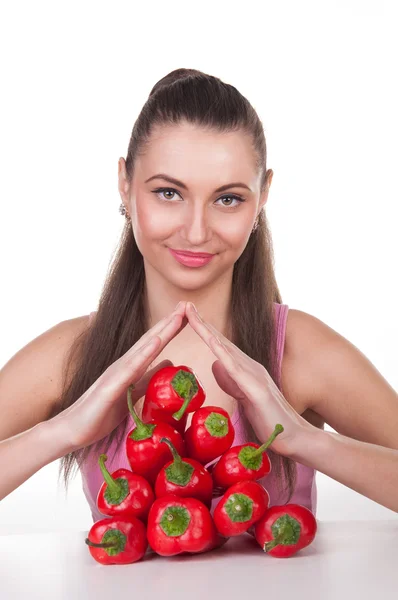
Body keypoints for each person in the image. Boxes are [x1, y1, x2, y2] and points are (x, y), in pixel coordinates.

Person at [1, 69, 397, 526]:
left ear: (263, 195)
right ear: (125, 185)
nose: (195, 231)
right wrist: (61, 432)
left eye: (227, 199)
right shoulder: (70, 356)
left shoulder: (301, 350)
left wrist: (304, 440)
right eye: (168, 193)